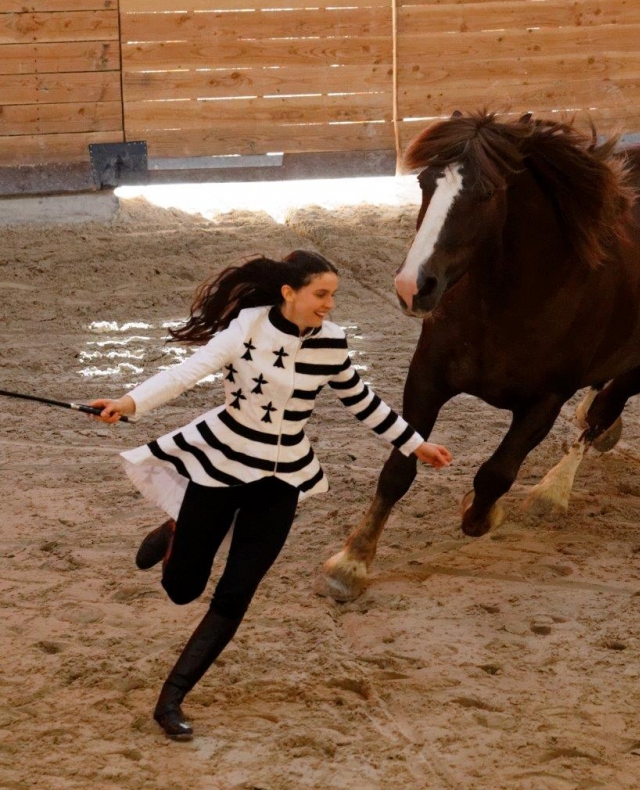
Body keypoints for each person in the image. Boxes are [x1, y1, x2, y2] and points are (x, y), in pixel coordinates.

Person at [90, 250, 452, 740]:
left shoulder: (332, 344)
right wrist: (128, 403)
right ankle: (177, 523)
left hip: (281, 480)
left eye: (333, 296)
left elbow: (362, 401)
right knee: (182, 589)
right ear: (289, 293)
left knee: (235, 594)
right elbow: (186, 372)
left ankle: (171, 699)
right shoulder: (247, 329)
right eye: (321, 294)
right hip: (220, 466)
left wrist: (415, 444)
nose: (329, 305)